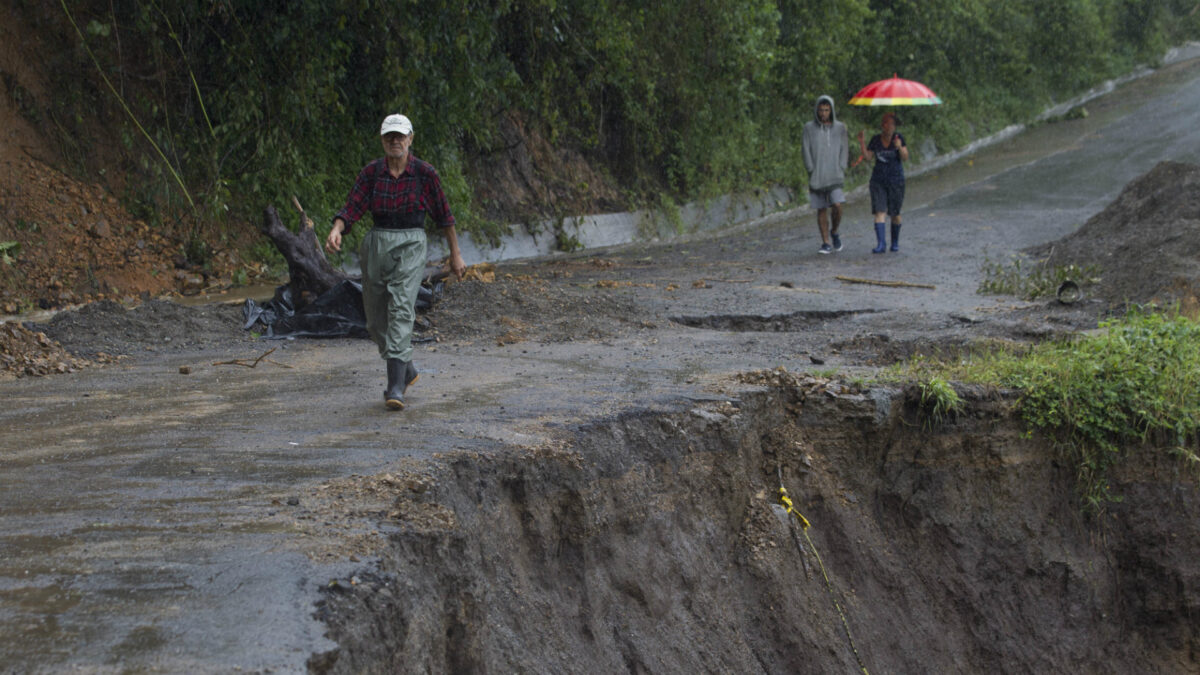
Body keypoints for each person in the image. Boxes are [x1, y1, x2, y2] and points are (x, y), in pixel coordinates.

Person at [325, 113, 467, 410]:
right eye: (390, 136)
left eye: (400, 136)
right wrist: (337, 229)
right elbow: (352, 206)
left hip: (412, 241)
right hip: (378, 242)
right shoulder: (371, 173)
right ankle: (407, 368)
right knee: (376, 321)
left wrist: (455, 254)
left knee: (401, 307)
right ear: (382, 140)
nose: (395, 141)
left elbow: (445, 216)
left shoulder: (425, 173)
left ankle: (394, 387)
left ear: (410, 139)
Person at [802, 95, 849, 254]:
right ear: (816, 110)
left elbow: (844, 149)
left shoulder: (840, 128)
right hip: (817, 175)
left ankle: (834, 231)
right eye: (821, 110)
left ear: (832, 110)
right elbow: (805, 149)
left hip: (834, 174)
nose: (823, 113)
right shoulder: (809, 128)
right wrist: (811, 169)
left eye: (827, 110)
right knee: (821, 208)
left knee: (837, 204)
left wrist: (841, 166)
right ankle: (826, 242)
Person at [858, 111, 908, 253]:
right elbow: (868, 157)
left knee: (895, 213)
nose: (890, 126)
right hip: (878, 181)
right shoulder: (875, 139)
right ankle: (881, 244)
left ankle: (895, 242)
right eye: (887, 123)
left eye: (892, 124)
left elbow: (905, 157)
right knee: (879, 211)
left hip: (896, 180)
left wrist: (899, 147)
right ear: (882, 125)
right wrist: (862, 142)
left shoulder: (899, 138)